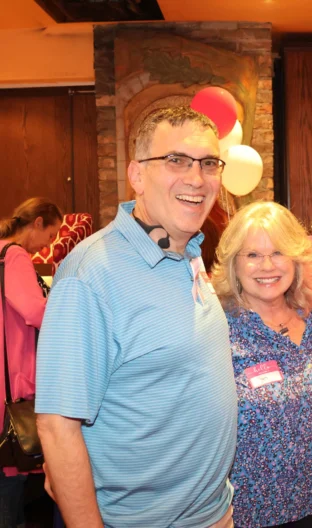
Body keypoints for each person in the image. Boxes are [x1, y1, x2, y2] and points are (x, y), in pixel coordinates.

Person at [35, 106, 238, 528]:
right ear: (137, 175)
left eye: (208, 163)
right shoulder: (91, 273)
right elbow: (57, 428)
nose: (196, 178)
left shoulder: (189, 251)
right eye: (175, 160)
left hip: (212, 514)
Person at [211, 201, 312, 528]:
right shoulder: (218, 331)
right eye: (253, 255)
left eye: (278, 252)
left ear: (296, 259)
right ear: (234, 264)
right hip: (253, 515)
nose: (267, 266)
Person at [0, 197, 62, 528]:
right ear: (36, 223)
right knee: (10, 470)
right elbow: (34, 310)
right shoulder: (16, 256)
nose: (47, 246)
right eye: (50, 236)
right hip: (13, 368)